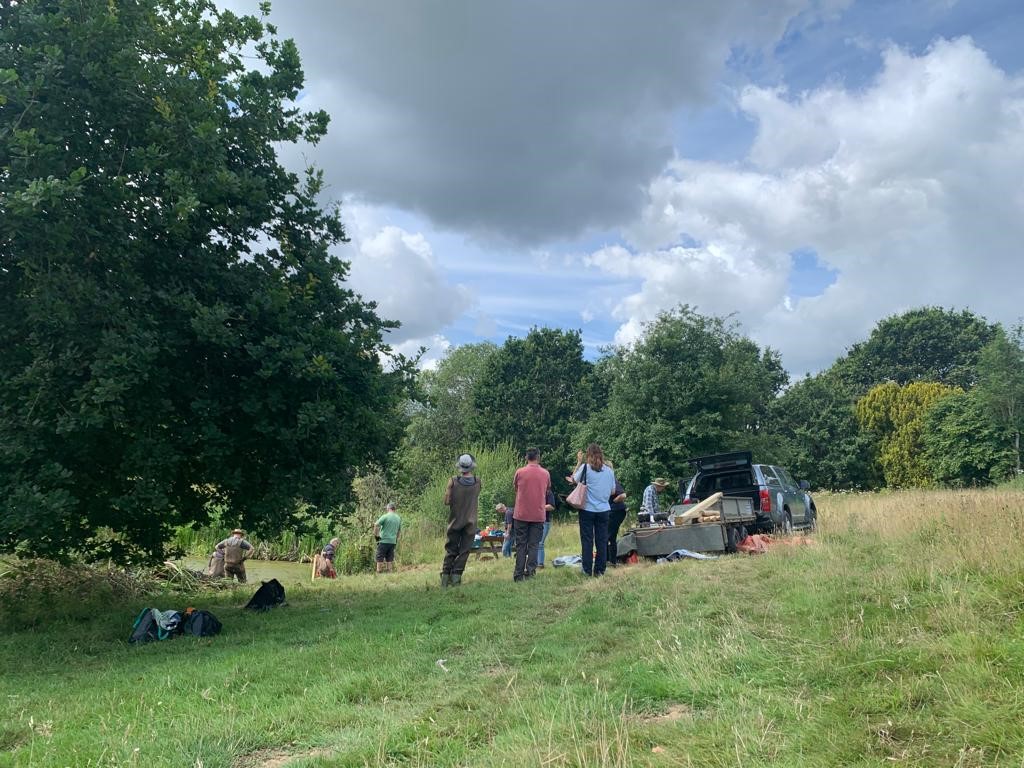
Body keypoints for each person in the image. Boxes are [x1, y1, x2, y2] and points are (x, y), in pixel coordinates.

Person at [571, 444, 617, 577]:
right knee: (602, 541)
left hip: (587, 509)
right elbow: (613, 491)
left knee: (587, 540)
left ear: (588, 455)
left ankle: (586, 569)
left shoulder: (585, 468)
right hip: (604, 510)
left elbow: (573, 479)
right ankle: (600, 570)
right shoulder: (609, 471)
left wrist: (578, 462)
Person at [440, 454, 481, 587]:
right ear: (471, 466)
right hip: (471, 521)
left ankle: (445, 579)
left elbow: (446, 501)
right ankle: (456, 578)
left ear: (460, 467)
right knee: (464, 551)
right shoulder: (478, 481)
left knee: (451, 549)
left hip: (455, 521)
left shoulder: (453, 480)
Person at [512, 447, 551, 581]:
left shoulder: (520, 472)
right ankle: (530, 573)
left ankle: (518, 574)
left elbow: (516, 489)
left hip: (521, 513)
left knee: (521, 544)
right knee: (534, 545)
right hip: (538, 514)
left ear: (526, 457)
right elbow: (546, 491)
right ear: (538, 457)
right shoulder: (545, 474)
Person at [374, 503, 402, 573]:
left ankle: (378, 572)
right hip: (392, 541)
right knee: (389, 558)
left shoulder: (385, 516)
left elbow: (376, 524)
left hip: (383, 540)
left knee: (379, 557)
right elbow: (399, 531)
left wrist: (377, 537)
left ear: (388, 508)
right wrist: (396, 539)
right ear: (394, 509)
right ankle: (389, 572)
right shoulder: (398, 518)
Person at [606, 481, 628, 566]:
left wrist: (613, 502)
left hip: (615, 511)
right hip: (617, 511)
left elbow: (623, 495)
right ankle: (612, 561)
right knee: (611, 537)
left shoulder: (612, 480)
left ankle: (607, 560)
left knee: (606, 536)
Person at [536, 490, 556, 568]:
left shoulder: (548, 493)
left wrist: (538, 507)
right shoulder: (533, 491)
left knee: (540, 543)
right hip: (534, 521)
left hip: (545, 521)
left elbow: (551, 506)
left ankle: (540, 564)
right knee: (533, 543)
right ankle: (534, 562)